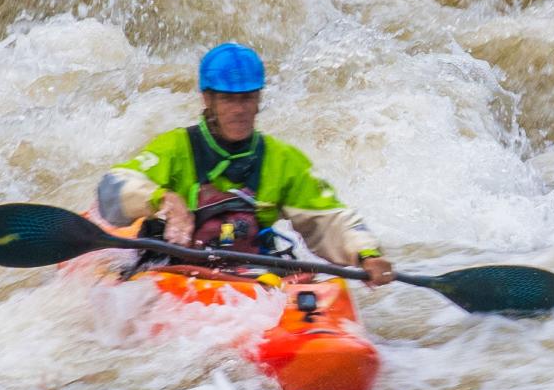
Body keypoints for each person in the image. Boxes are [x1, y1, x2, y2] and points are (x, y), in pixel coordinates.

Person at [96, 43, 395, 285]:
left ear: (258, 99)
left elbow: (330, 218)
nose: (240, 110)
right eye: (228, 100)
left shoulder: (281, 159)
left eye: (248, 99)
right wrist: (164, 199)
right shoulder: (175, 148)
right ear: (207, 99)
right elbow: (113, 189)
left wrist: (366, 254)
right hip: (174, 269)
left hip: (248, 276)